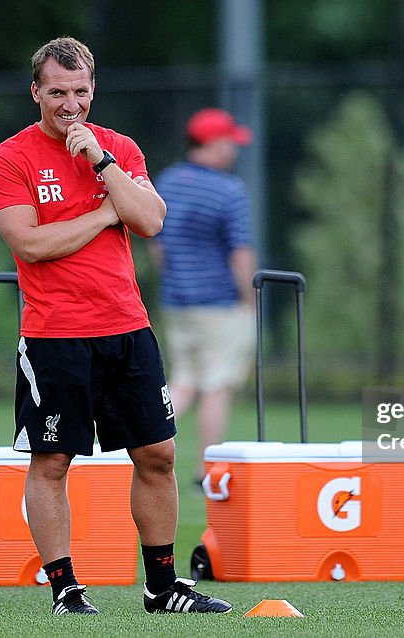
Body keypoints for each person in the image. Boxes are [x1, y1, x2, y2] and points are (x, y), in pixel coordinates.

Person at [0, 37, 232, 616]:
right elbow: (31, 243)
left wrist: (100, 162)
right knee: (52, 462)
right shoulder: (10, 158)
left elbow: (148, 220)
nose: (70, 104)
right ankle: (65, 589)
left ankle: (163, 588)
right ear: (36, 92)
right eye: (57, 92)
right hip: (54, 333)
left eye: (80, 92)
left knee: (160, 455)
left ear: (92, 90)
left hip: (127, 326)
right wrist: (102, 211)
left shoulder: (116, 148)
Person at [151, 108, 257, 483]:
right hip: (219, 303)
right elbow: (240, 252)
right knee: (217, 384)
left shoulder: (167, 181)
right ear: (212, 144)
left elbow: (157, 245)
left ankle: (135, 450)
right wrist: (249, 299)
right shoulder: (229, 190)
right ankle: (206, 470)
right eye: (229, 142)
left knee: (182, 382)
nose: (234, 150)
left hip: (177, 300)